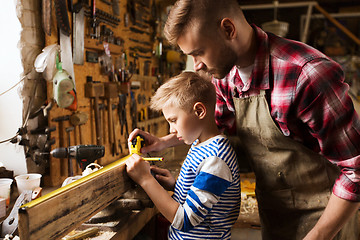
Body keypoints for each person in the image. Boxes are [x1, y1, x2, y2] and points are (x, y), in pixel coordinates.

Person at [128, 0, 360, 239]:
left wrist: (319, 235)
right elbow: (216, 128)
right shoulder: (226, 77)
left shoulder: (307, 75)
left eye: (199, 52)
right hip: (275, 217)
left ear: (228, 30)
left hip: (326, 224)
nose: (197, 65)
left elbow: (356, 170)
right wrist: (163, 143)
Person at [126, 71, 241, 239]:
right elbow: (204, 196)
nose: (171, 130)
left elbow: (184, 220)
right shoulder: (199, 144)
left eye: (173, 120)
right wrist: (177, 186)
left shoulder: (216, 159)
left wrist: (145, 179)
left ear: (199, 111)